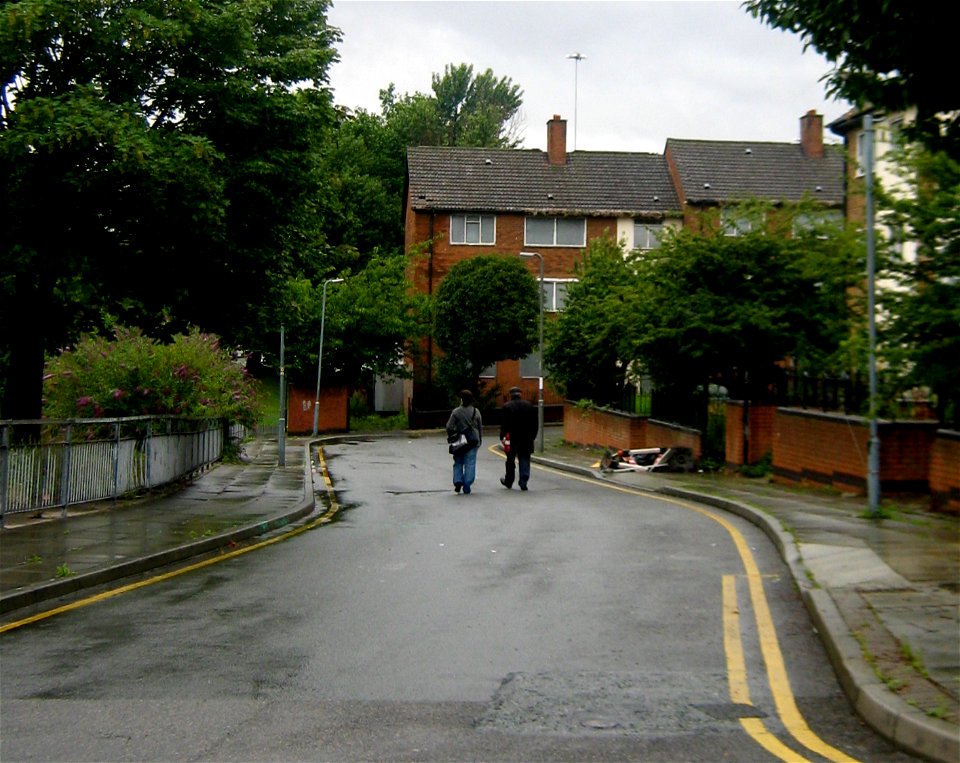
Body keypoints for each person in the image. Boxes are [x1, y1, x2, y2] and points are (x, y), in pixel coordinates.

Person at [499, 386, 538, 491]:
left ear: (511, 395)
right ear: (520, 394)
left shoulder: (506, 407)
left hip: (511, 437)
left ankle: (509, 481)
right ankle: (523, 481)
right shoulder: (529, 406)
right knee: (524, 458)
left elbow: (504, 424)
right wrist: (533, 436)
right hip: (526, 437)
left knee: (510, 460)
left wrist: (502, 436)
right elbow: (535, 424)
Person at [446, 389, 482, 494]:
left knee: (458, 462)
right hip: (473, 440)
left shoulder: (456, 412)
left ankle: (457, 481)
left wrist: (453, 434)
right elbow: (480, 427)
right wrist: (480, 440)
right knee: (470, 463)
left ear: (461, 399)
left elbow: (449, 426)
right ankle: (467, 485)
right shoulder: (476, 412)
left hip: (459, 441)